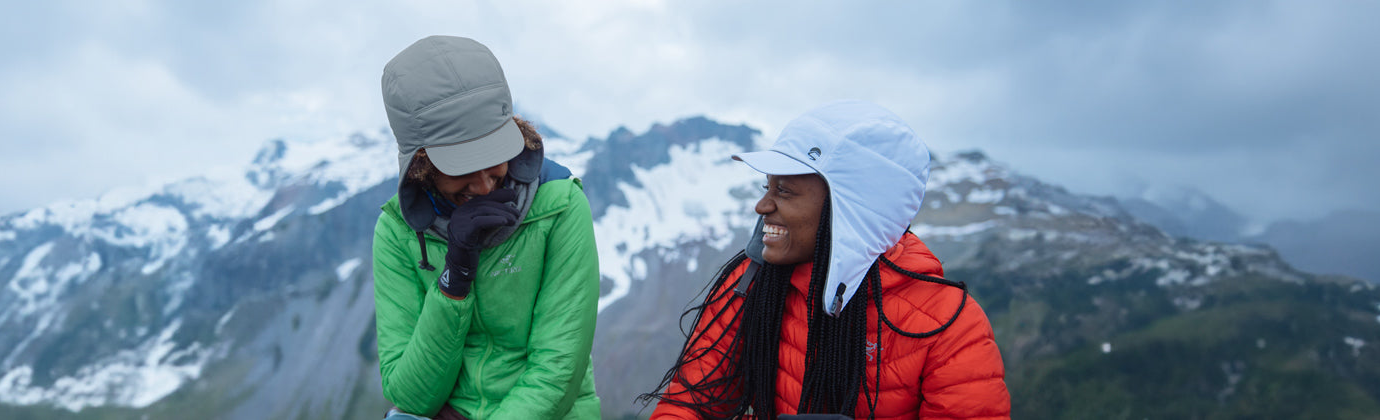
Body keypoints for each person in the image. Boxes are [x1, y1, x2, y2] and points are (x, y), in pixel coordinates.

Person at [642, 101, 1011, 419]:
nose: (762, 206)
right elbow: (689, 404)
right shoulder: (750, 281)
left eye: (784, 191)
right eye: (767, 187)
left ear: (851, 211)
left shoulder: (949, 329)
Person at [372, 36, 601, 420]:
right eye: (461, 166)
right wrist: (454, 279)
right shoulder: (397, 231)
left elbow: (556, 375)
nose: (482, 186)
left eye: (495, 155)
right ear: (420, 166)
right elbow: (411, 397)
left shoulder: (559, 206)